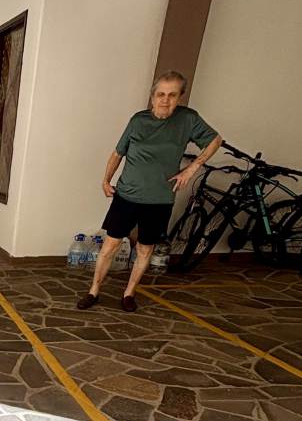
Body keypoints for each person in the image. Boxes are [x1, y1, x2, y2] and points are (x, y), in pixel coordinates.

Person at [76, 71, 223, 311]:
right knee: (110, 245)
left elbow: (215, 140)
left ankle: (129, 294)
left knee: (145, 249)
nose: (165, 100)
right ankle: (93, 291)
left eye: (172, 95)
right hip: (127, 194)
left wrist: (192, 168)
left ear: (180, 97)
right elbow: (117, 153)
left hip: (160, 199)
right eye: (160, 94)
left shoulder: (188, 119)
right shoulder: (138, 121)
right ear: (152, 96)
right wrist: (106, 180)